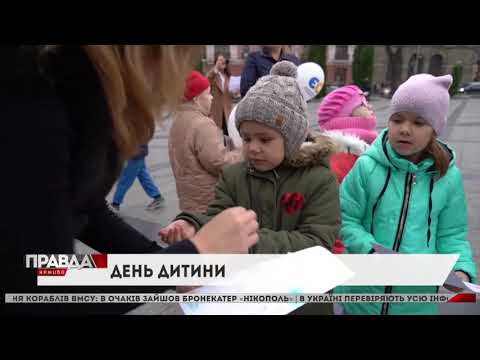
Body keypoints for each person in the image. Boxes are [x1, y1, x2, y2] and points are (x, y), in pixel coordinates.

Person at [1, 45, 259, 315]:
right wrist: (187, 258)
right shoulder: (31, 100)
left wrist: (162, 261)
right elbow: (42, 285)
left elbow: (84, 206)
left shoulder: (76, 83)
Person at [160, 61, 341, 315]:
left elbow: (318, 243)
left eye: (264, 139)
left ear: (292, 139)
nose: (253, 147)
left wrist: (247, 242)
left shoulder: (319, 179)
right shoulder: (234, 176)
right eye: (246, 138)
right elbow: (216, 217)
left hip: (301, 302)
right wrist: (191, 224)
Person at [335, 74, 477, 315]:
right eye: (397, 119)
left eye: (418, 123)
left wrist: (461, 269)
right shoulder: (366, 167)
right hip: (361, 299)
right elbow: (344, 219)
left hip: (415, 304)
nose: (405, 130)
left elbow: (451, 234)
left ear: (435, 129)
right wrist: (369, 250)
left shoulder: (447, 177)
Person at [169, 70, 242, 213]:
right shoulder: (201, 124)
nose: (212, 98)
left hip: (188, 201)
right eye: (208, 93)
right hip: (209, 202)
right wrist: (242, 151)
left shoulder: (178, 120)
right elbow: (220, 162)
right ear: (196, 99)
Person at [317, 85, 378, 253]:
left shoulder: (363, 150)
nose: (370, 107)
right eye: (363, 104)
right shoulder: (344, 156)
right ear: (345, 114)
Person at [110, 143, 165, 212]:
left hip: (134, 154)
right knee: (143, 177)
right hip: (139, 152)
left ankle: (115, 204)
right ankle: (157, 197)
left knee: (124, 181)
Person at [206, 53, 233, 136]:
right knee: (216, 135)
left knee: (228, 134)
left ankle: (228, 148)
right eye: (220, 60)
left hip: (227, 110)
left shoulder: (228, 77)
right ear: (215, 63)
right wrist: (215, 69)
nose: (223, 61)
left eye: (223, 60)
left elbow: (230, 94)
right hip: (216, 110)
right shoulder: (213, 75)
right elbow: (206, 80)